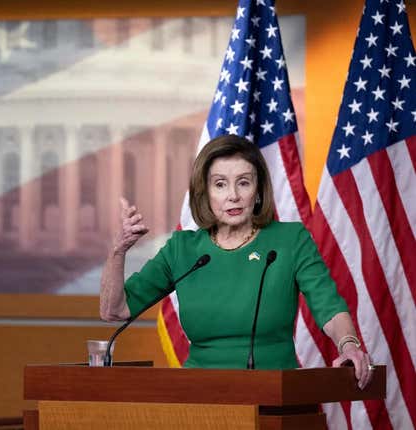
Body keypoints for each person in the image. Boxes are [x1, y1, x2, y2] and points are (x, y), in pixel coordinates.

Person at [100, 134, 373, 389]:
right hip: (199, 396)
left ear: (258, 190)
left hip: (275, 393)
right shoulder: (181, 249)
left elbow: (328, 306)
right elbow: (115, 311)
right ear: (204, 192)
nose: (233, 195)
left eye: (243, 182)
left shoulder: (290, 241)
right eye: (220, 184)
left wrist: (348, 345)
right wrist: (118, 250)